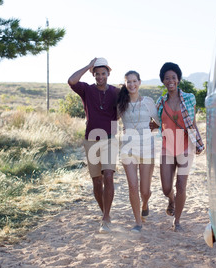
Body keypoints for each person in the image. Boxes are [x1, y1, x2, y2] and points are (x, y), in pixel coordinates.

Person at [68, 58, 119, 234]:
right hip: (91, 139)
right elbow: (71, 80)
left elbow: (127, 107)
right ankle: (104, 212)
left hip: (110, 139)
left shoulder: (116, 92)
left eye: (103, 73)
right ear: (93, 74)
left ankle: (106, 217)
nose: (100, 76)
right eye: (96, 73)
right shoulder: (86, 90)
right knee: (97, 181)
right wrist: (87, 66)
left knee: (109, 176)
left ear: (108, 74)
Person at [155, 62, 205, 232]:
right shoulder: (160, 102)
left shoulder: (190, 97)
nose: (170, 81)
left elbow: (193, 122)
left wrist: (198, 142)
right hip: (167, 147)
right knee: (166, 188)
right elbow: (156, 123)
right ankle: (171, 200)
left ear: (178, 80)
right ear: (163, 81)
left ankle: (177, 221)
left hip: (185, 147)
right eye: (167, 78)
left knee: (181, 184)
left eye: (173, 78)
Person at [117, 71, 160, 233]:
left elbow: (159, 121)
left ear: (140, 82)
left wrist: (153, 127)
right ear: (125, 84)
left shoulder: (148, 102)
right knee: (133, 186)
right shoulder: (121, 103)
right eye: (128, 82)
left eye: (134, 81)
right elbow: (111, 118)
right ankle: (137, 222)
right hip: (128, 149)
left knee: (145, 190)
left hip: (147, 149)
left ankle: (145, 203)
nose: (132, 84)